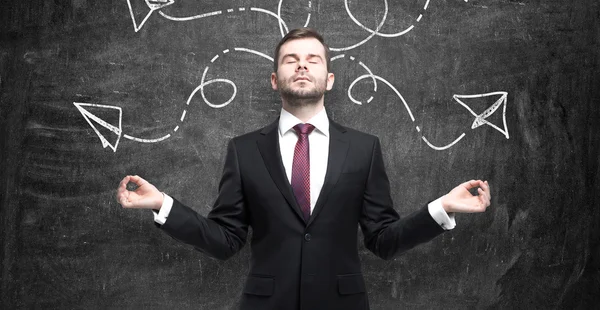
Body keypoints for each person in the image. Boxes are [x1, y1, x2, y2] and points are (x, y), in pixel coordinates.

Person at [117, 28, 491, 310]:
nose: (301, 64)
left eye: (313, 59)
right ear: (275, 79)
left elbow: (384, 240)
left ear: (329, 79)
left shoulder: (364, 149)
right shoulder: (245, 150)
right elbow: (225, 240)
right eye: (290, 58)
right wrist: (161, 204)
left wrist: (443, 207)